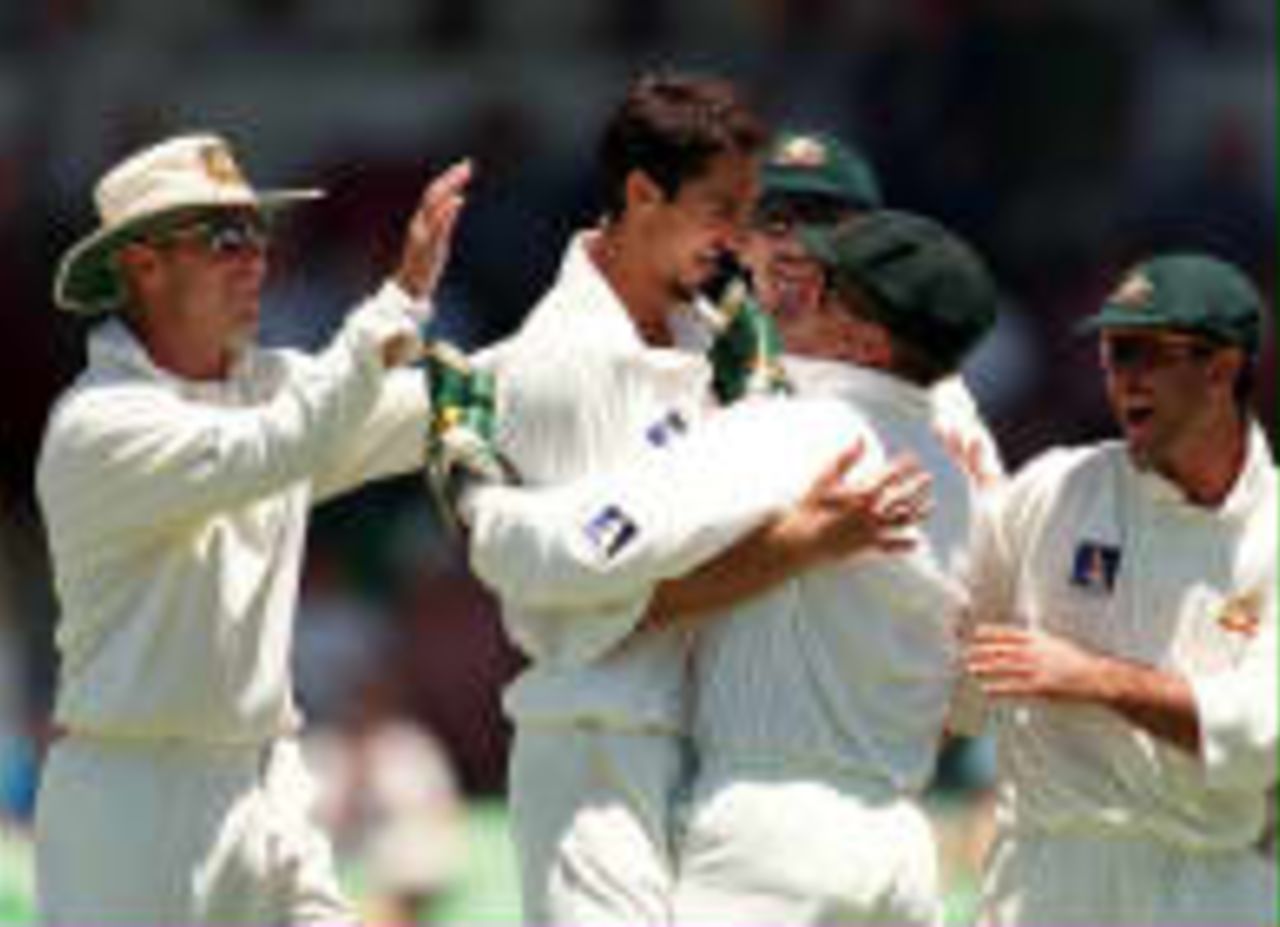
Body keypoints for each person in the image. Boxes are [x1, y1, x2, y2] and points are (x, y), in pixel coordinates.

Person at [437, 209, 997, 925]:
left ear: (866, 340)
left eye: (822, 287)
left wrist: (476, 491)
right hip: (902, 844)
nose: (793, 293)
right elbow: (973, 699)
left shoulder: (804, 431)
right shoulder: (968, 480)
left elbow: (596, 540)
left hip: (773, 837)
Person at [34, 132, 470, 926]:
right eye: (224, 238)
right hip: (132, 803)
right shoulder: (97, 423)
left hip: (269, 779)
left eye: (260, 235)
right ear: (142, 265)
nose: (255, 259)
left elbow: (439, 409)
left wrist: (620, 344)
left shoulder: (275, 386)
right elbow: (280, 444)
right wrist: (398, 299)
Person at [962, 253, 1276, 925]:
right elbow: (953, 652)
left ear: (1221, 367)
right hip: (1046, 879)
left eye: (1142, 353)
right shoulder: (1051, 489)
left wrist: (1095, 679)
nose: (1120, 379)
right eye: (1111, 354)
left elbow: (1259, 735)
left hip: (1211, 882)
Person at [744, 129, 1005, 490]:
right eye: (774, 220)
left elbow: (980, 518)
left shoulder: (928, 391)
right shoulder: (687, 340)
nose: (797, 245)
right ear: (738, 238)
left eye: (825, 221)